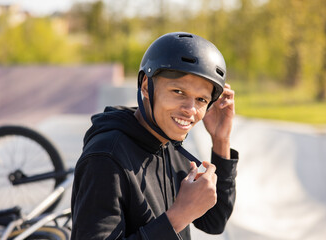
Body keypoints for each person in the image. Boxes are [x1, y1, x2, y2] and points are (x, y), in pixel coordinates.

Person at [71, 32, 238, 240]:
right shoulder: (105, 158)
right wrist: (177, 217)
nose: (190, 109)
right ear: (146, 87)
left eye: (202, 99)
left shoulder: (170, 144)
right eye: (178, 92)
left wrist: (221, 140)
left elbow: (214, 221)